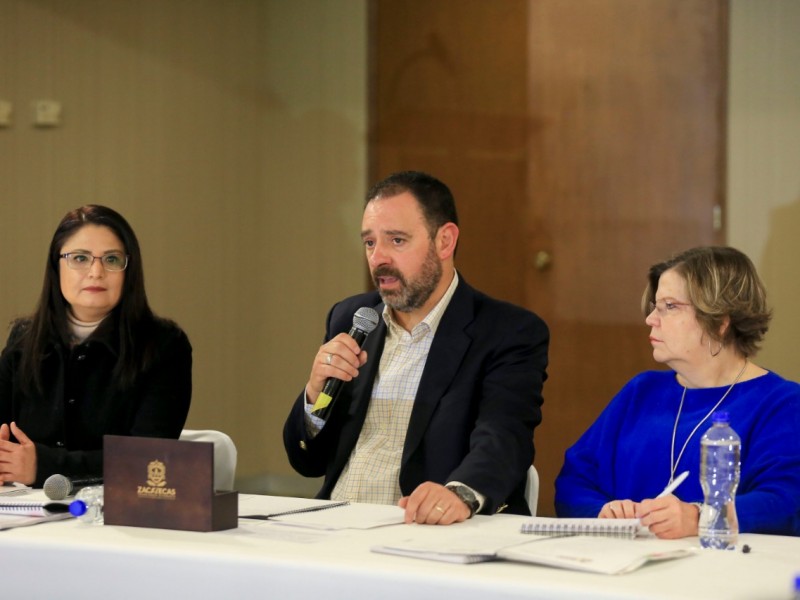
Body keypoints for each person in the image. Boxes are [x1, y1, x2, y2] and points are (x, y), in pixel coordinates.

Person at [283, 171, 549, 525]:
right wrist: (316, 394)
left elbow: (504, 436)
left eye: (396, 240)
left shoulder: (506, 332)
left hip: (422, 532)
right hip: (335, 526)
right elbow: (308, 462)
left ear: (445, 241)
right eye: (369, 243)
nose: (379, 258)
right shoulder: (351, 318)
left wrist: (460, 493)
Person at [555, 246, 800, 537]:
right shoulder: (640, 391)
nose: (650, 320)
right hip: (623, 570)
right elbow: (574, 481)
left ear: (720, 322)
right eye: (655, 307)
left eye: (669, 307)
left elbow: (785, 502)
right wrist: (603, 511)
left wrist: (700, 518)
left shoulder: (782, 403)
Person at [0, 205, 192, 487]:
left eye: (112, 259)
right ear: (56, 266)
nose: (96, 271)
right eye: (80, 258)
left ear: (129, 270)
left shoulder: (164, 346)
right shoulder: (23, 339)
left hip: (117, 514)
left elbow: (148, 458)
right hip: (23, 512)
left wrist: (44, 466)